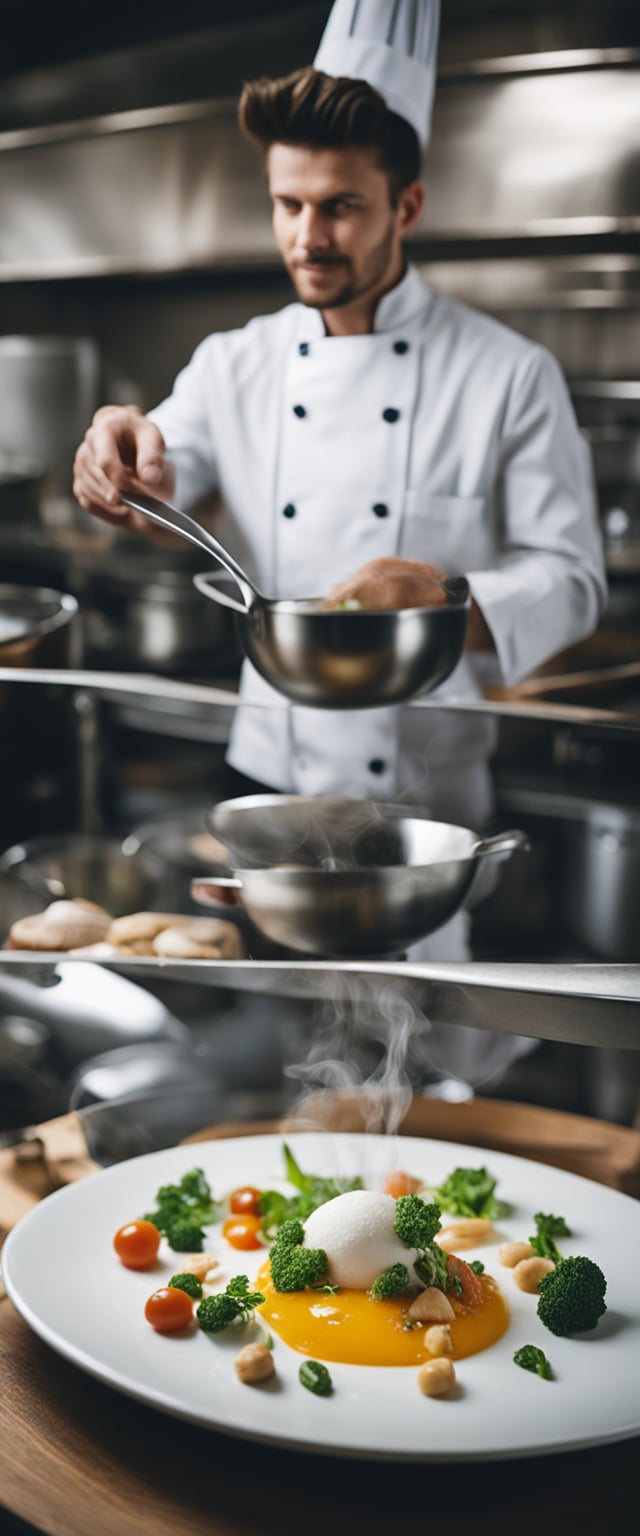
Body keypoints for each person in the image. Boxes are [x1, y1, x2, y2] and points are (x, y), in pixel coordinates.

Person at [73, 1, 606, 1083]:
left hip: (428, 820)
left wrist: (448, 592)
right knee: (278, 1070)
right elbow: (163, 461)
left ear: (406, 203)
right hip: (273, 801)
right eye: (287, 205)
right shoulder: (239, 362)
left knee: (430, 1069)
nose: (307, 238)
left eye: (341, 208)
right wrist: (122, 456)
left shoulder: (507, 374)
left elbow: (575, 583)